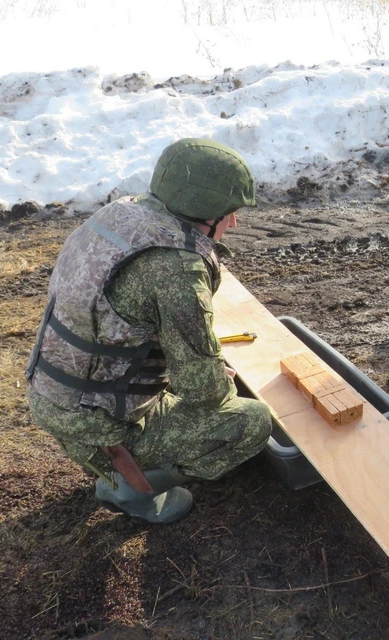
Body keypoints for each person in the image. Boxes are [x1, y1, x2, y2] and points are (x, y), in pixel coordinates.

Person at [24, 138, 273, 523]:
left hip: (54, 391)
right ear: (205, 212)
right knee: (252, 420)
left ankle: (117, 466)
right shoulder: (176, 268)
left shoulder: (121, 216)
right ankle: (130, 488)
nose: (235, 222)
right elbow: (203, 392)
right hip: (94, 421)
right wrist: (214, 381)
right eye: (231, 212)